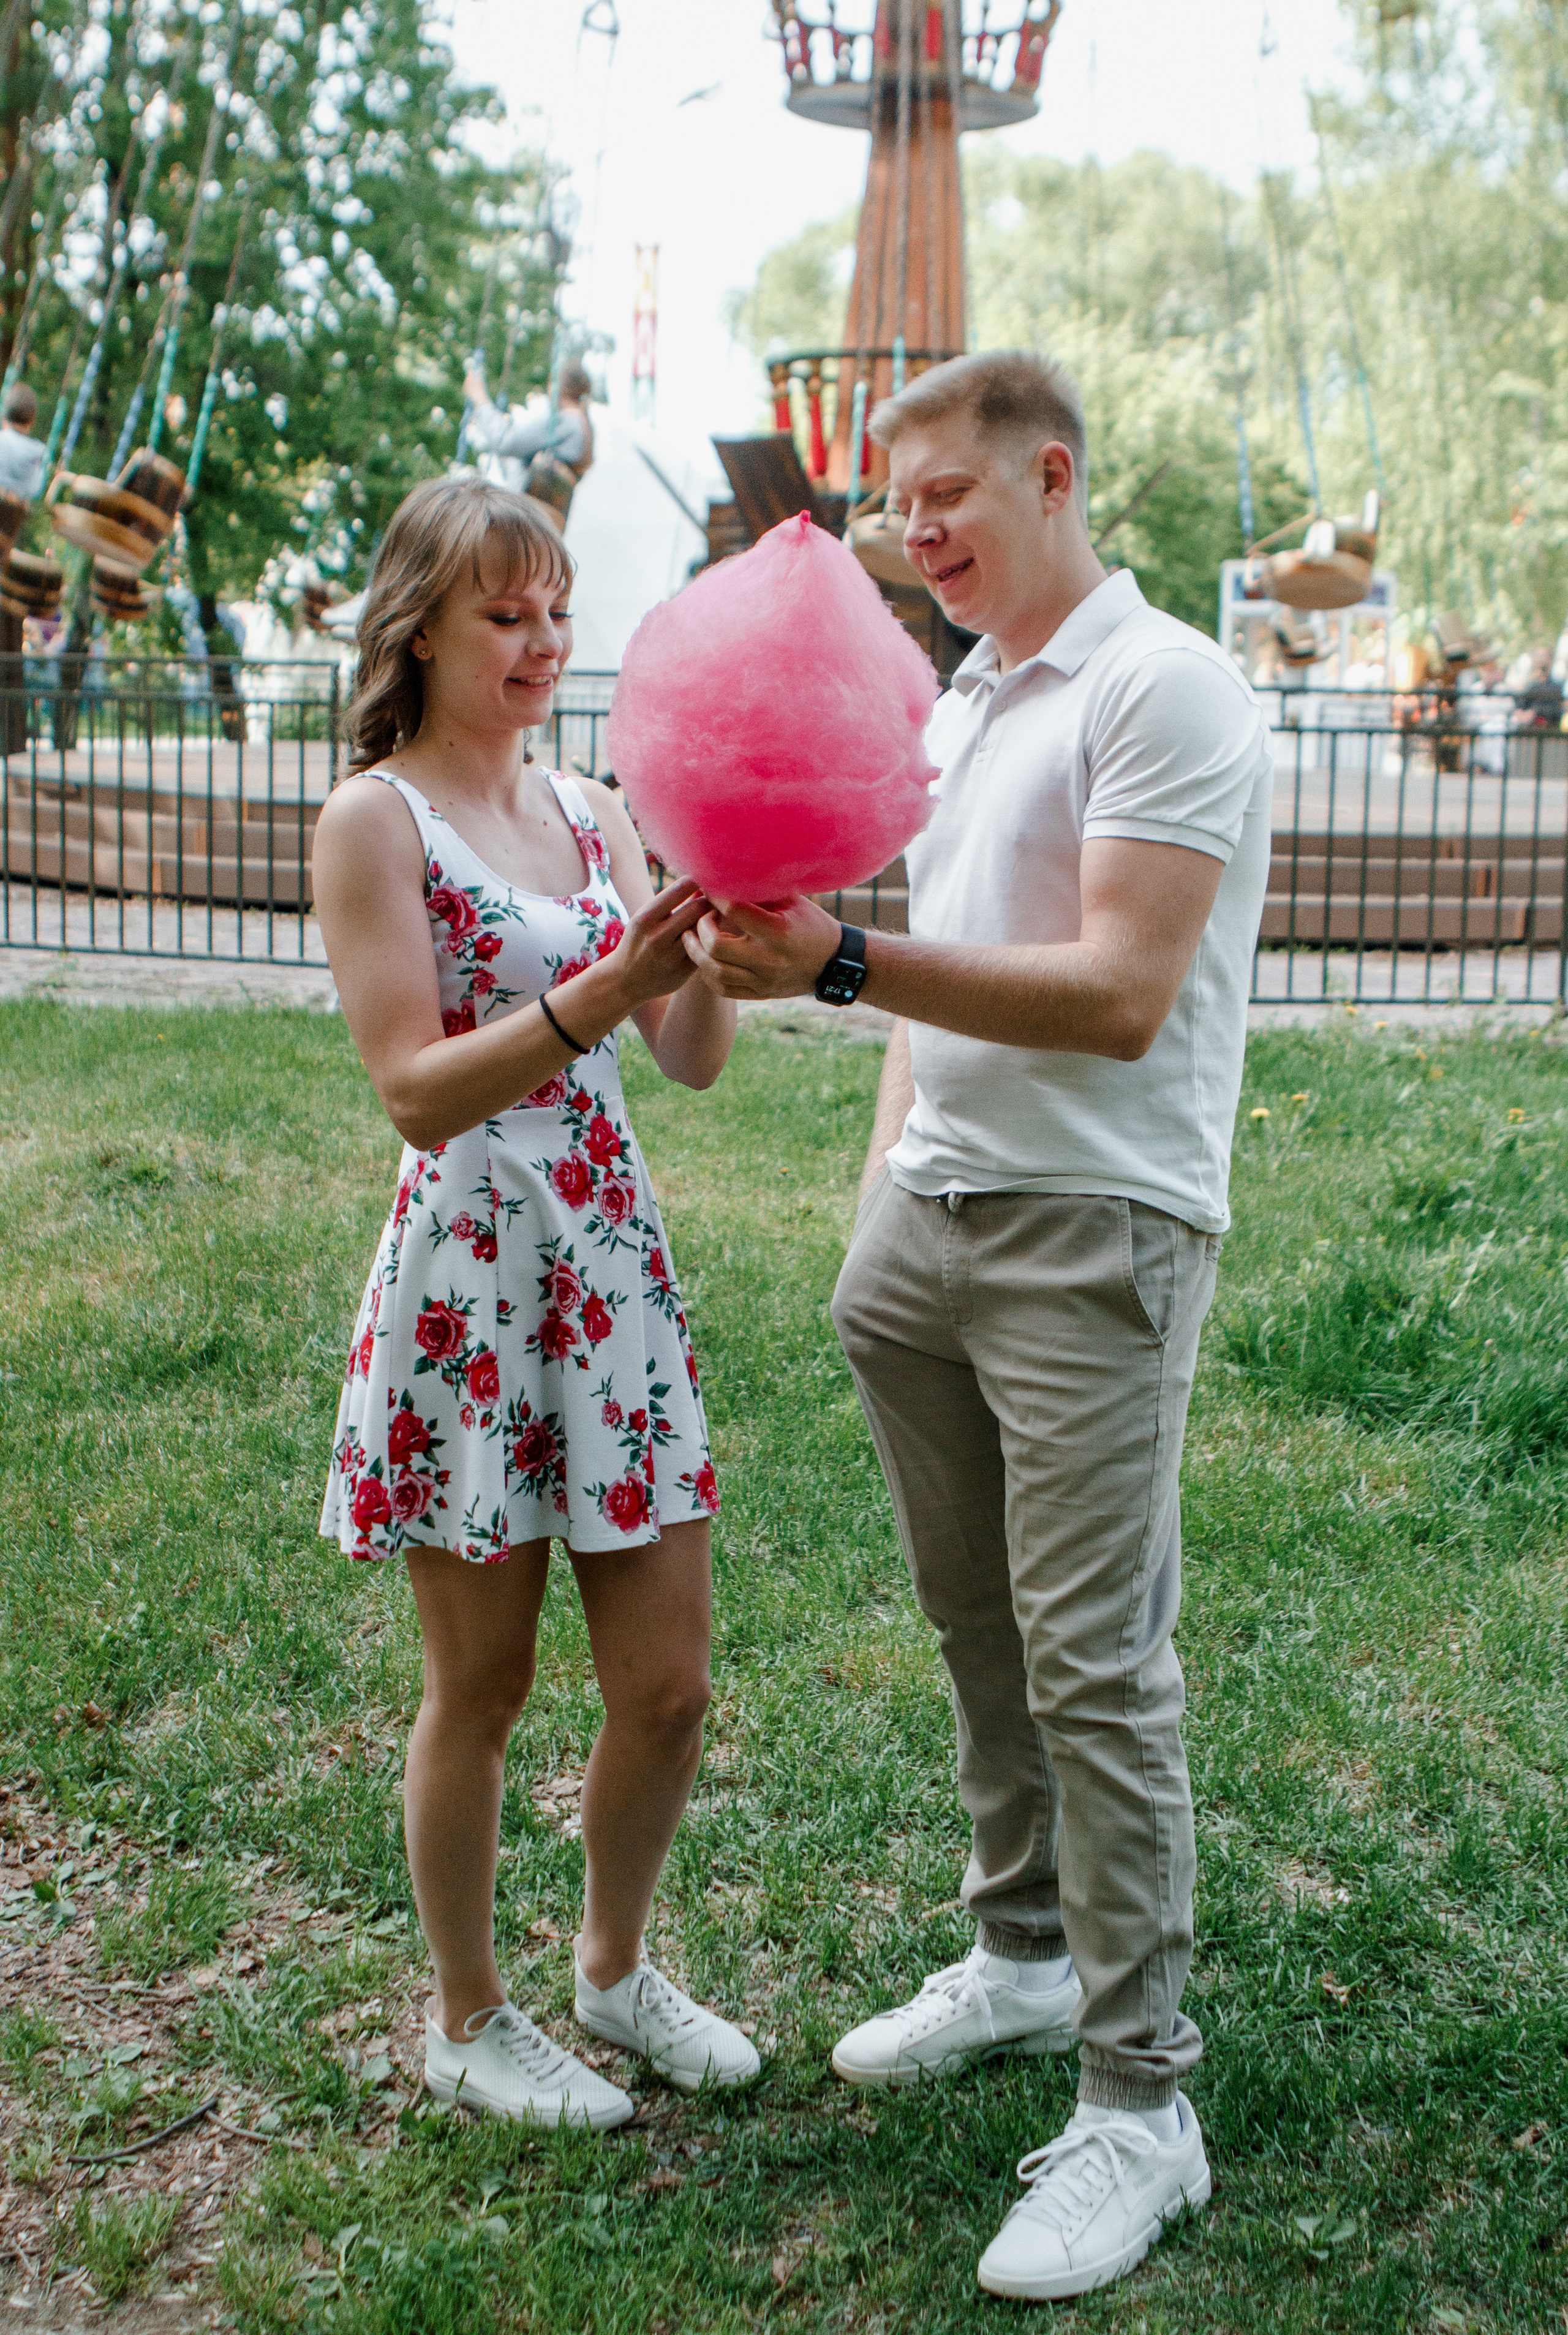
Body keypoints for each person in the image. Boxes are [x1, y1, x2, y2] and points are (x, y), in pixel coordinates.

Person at [684, 350, 1272, 2302]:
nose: (913, 529)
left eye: (946, 494)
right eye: (896, 503)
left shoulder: (1161, 680)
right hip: (928, 1229)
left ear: (1052, 475)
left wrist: (840, 959)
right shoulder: (960, 694)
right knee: (975, 1624)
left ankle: (1140, 2104)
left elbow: (1115, 990)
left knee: (1095, 1663)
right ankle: (1022, 1956)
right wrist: (886, 1184)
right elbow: (943, 988)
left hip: (1095, 1235)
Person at [312, 475, 755, 2130]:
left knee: (669, 1683)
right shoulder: (375, 818)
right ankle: (469, 2015)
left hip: (610, 1271)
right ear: (419, 622)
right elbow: (416, 1088)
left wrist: (712, 918)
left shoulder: (594, 807)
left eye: (558, 608)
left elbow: (694, 1057)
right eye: (507, 611)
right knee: (481, 1688)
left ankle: (613, 1967)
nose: (543, 638)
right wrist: (603, 987)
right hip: (471, 1291)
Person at [462, 358, 595, 507]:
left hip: (527, 510)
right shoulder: (580, 422)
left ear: (558, 386)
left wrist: (480, 399)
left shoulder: (567, 421)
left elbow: (505, 442)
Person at [0, 383, 44, 755]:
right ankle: (12, 745)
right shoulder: (36, 453)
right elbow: (33, 493)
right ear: (32, 420)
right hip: (10, 542)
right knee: (10, 645)